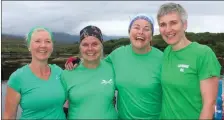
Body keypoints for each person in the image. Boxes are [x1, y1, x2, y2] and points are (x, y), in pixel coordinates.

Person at [65, 14, 163, 119]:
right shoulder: (118, 55)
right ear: (129, 32)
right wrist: (76, 59)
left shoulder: (162, 59)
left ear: (152, 35)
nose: (140, 32)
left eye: (146, 29)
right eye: (136, 27)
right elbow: (93, 61)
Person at [156, 2, 221, 119]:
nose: (168, 29)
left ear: (184, 25)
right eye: (163, 24)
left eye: (173, 23)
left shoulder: (203, 54)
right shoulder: (166, 52)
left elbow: (209, 105)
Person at [3, 27, 66, 119]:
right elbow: (9, 117)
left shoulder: (59, 72)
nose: (43, 45)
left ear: (52, 47)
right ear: (29, 46)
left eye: (48, 41)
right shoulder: (17, 78)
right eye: (37, 41)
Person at [60, 25, 118, 119]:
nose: (90, 48)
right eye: (85, 44)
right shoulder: (68, 73)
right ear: (80, 47)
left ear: (101, 46)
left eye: (95, 44)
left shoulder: (112, 68)